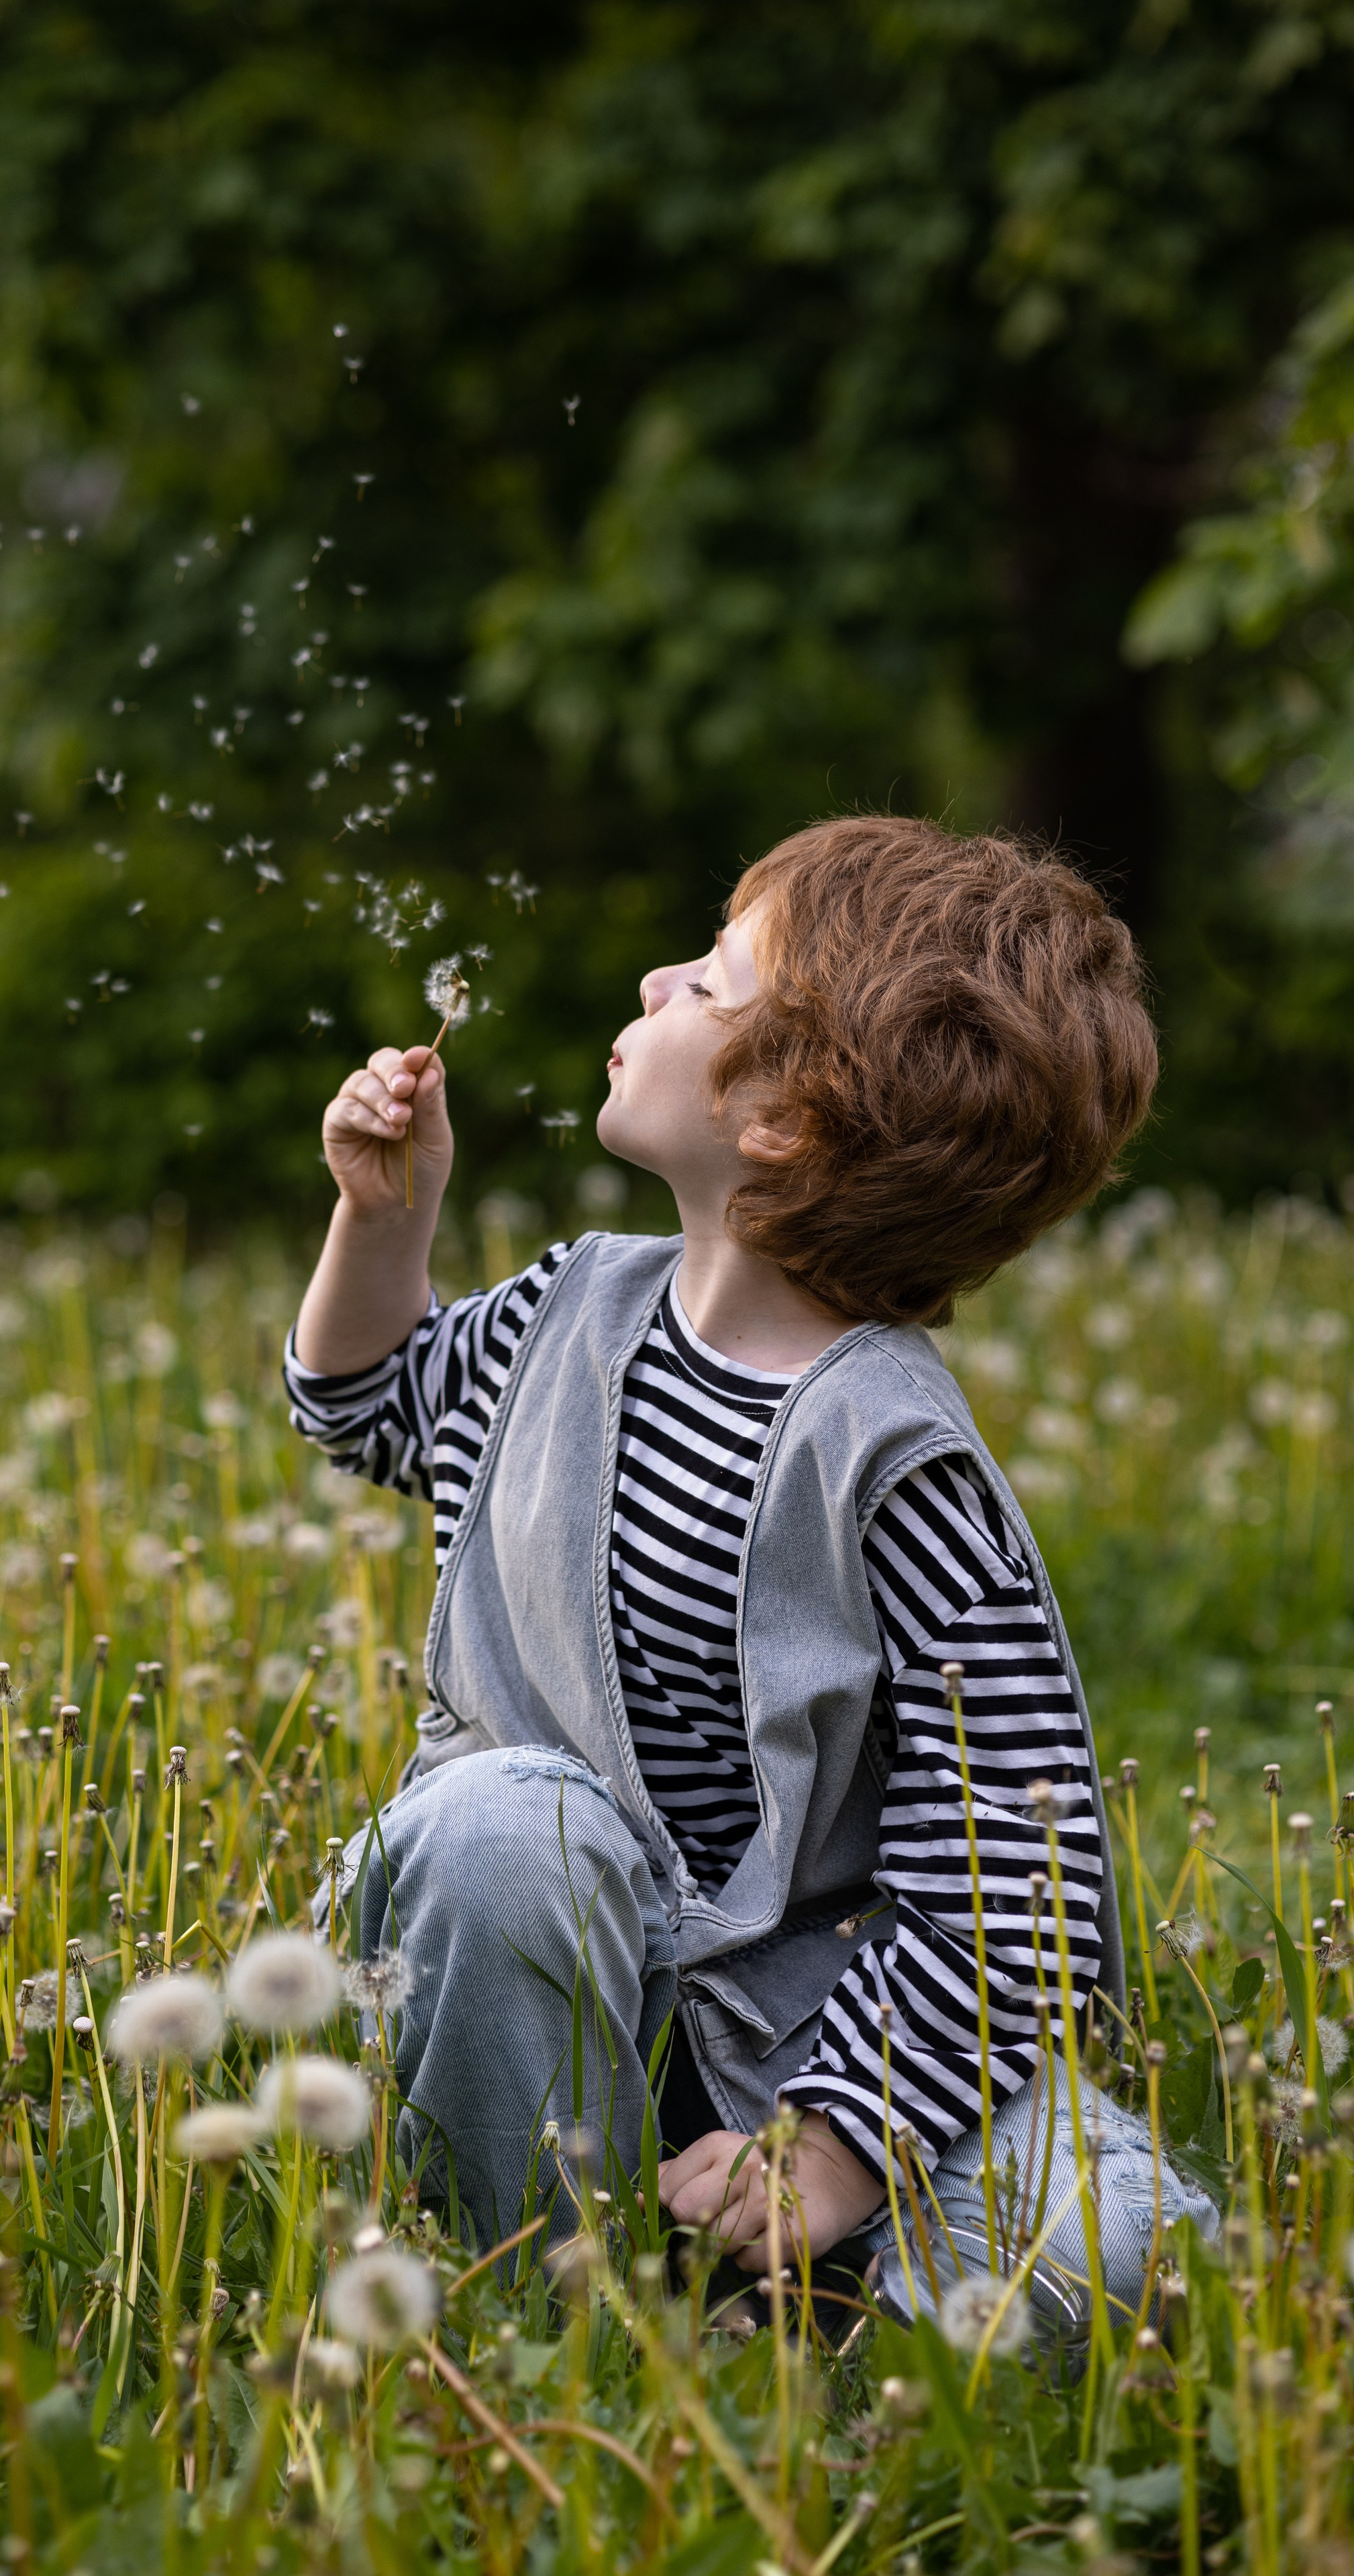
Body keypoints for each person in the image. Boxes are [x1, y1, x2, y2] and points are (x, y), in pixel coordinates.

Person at [286, 815, 1213, 2328]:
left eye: (709, 979)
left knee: (1129, 2255)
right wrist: (378, 1222)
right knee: (499, 1823)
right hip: (515, 1969)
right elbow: (364, 1399)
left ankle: (796, 2308)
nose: (654, 979)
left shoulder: (895, 1466)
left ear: (782, 1117)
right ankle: (537, 2283)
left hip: (808, 2035)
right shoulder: (559, 1311)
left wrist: (835, 2150)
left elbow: (1015, 1878)